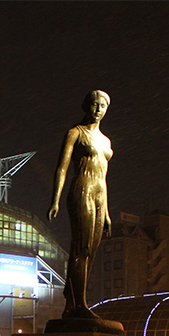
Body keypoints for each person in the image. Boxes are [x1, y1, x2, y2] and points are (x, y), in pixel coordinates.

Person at [47, 90, 113, 319]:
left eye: (102, 106)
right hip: (82, 190)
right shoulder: (75, 133)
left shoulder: (105, 141)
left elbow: (104, 176)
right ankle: (79, 305)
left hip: (100, 194)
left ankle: (71, 302)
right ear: (86, 106)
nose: (97, 110)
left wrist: (106, 212)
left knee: (91, 252)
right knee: (81, 249)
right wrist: (55, 199)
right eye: (93, 105)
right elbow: (62, 167)